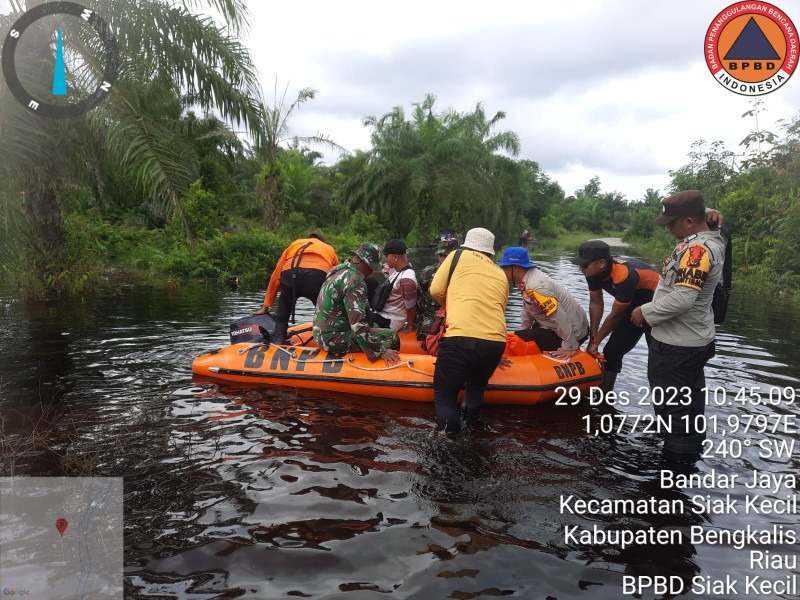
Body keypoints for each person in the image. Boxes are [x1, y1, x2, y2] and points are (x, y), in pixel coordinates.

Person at [630, 190, 725, 454]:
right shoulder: (709, 237)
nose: (668, 227)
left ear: (689, 222)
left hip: (676, 347)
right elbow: (707, 219)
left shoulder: (697, 251)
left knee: (673, 411)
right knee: (691, 406)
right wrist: (709, 211)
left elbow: (683, 299)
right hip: (694, 341)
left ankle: (674, 472)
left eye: (672, 222)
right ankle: (691, 461)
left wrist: (644, 312)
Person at [429, 227, 509, 435]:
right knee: (475, 388)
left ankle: (450, 443)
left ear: (466, 244)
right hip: (495, 342)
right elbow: (500, 306)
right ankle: (471, 432)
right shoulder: (499, 271)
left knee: (445, 397)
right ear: (490, 252)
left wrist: (453, 304)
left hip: (461, 338)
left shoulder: (457, 255)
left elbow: (436, 290)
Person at [570, 240, 659, 391]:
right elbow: (596, 303)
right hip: (632, 307)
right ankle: (604, 396)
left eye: (584, 264)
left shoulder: (625, 276)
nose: (581, 268)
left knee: (657, 358)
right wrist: (593, 337)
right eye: (580, 264)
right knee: (612, 352)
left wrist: (597, 341)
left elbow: (616, 315)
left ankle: (665, 401)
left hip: (656, 308)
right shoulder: (592, 272)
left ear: (601, 263)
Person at [313, 242, 401, 365]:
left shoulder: (337, 269)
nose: (371, 271)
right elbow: (357, 324)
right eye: (371, 267)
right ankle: (386, 369)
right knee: (391, 335)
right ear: (364, 263)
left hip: (320, 334)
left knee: (374, 325)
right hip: (333, 339)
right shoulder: (355, 281)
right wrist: (381, 351)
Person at [498, 247, 589, 358]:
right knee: (519, 336)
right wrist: (523, 333)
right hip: (557, 326)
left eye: (505, 268)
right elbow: (528, 310)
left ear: (516, 268)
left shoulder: (536, 287)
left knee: (517, 337)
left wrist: (569, 345)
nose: (503, 271)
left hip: (574, 333)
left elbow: (559, 316)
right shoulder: (527, 280)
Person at [252, 232, 338, 345]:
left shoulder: (294, 245)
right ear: (323, 241)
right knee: (325, 310)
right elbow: (337, 277)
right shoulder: (328, 249)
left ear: (306, 239)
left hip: (290, 275)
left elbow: (276, 276)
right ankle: (332, 339)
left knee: (285, 301)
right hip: (317, 277)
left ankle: (279, 338)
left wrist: (266, 306)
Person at [416, 236, 459, 336]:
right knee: (426, 329)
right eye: (441, 255)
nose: (443, 259)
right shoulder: (428, 272)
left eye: (446, 256)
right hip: (432, 315)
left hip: (455, 316)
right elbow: (420, 297)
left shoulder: (462, 273)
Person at [373, 239, 418, 333]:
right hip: (384, 312)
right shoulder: (395, 269)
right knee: (370, 281)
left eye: (386, 256)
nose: (385, 258)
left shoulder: (406, 280)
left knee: (358, 320)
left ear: (395, 257)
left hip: (391, 320)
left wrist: (409, 326)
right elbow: (377, 269)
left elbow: (411, 307)